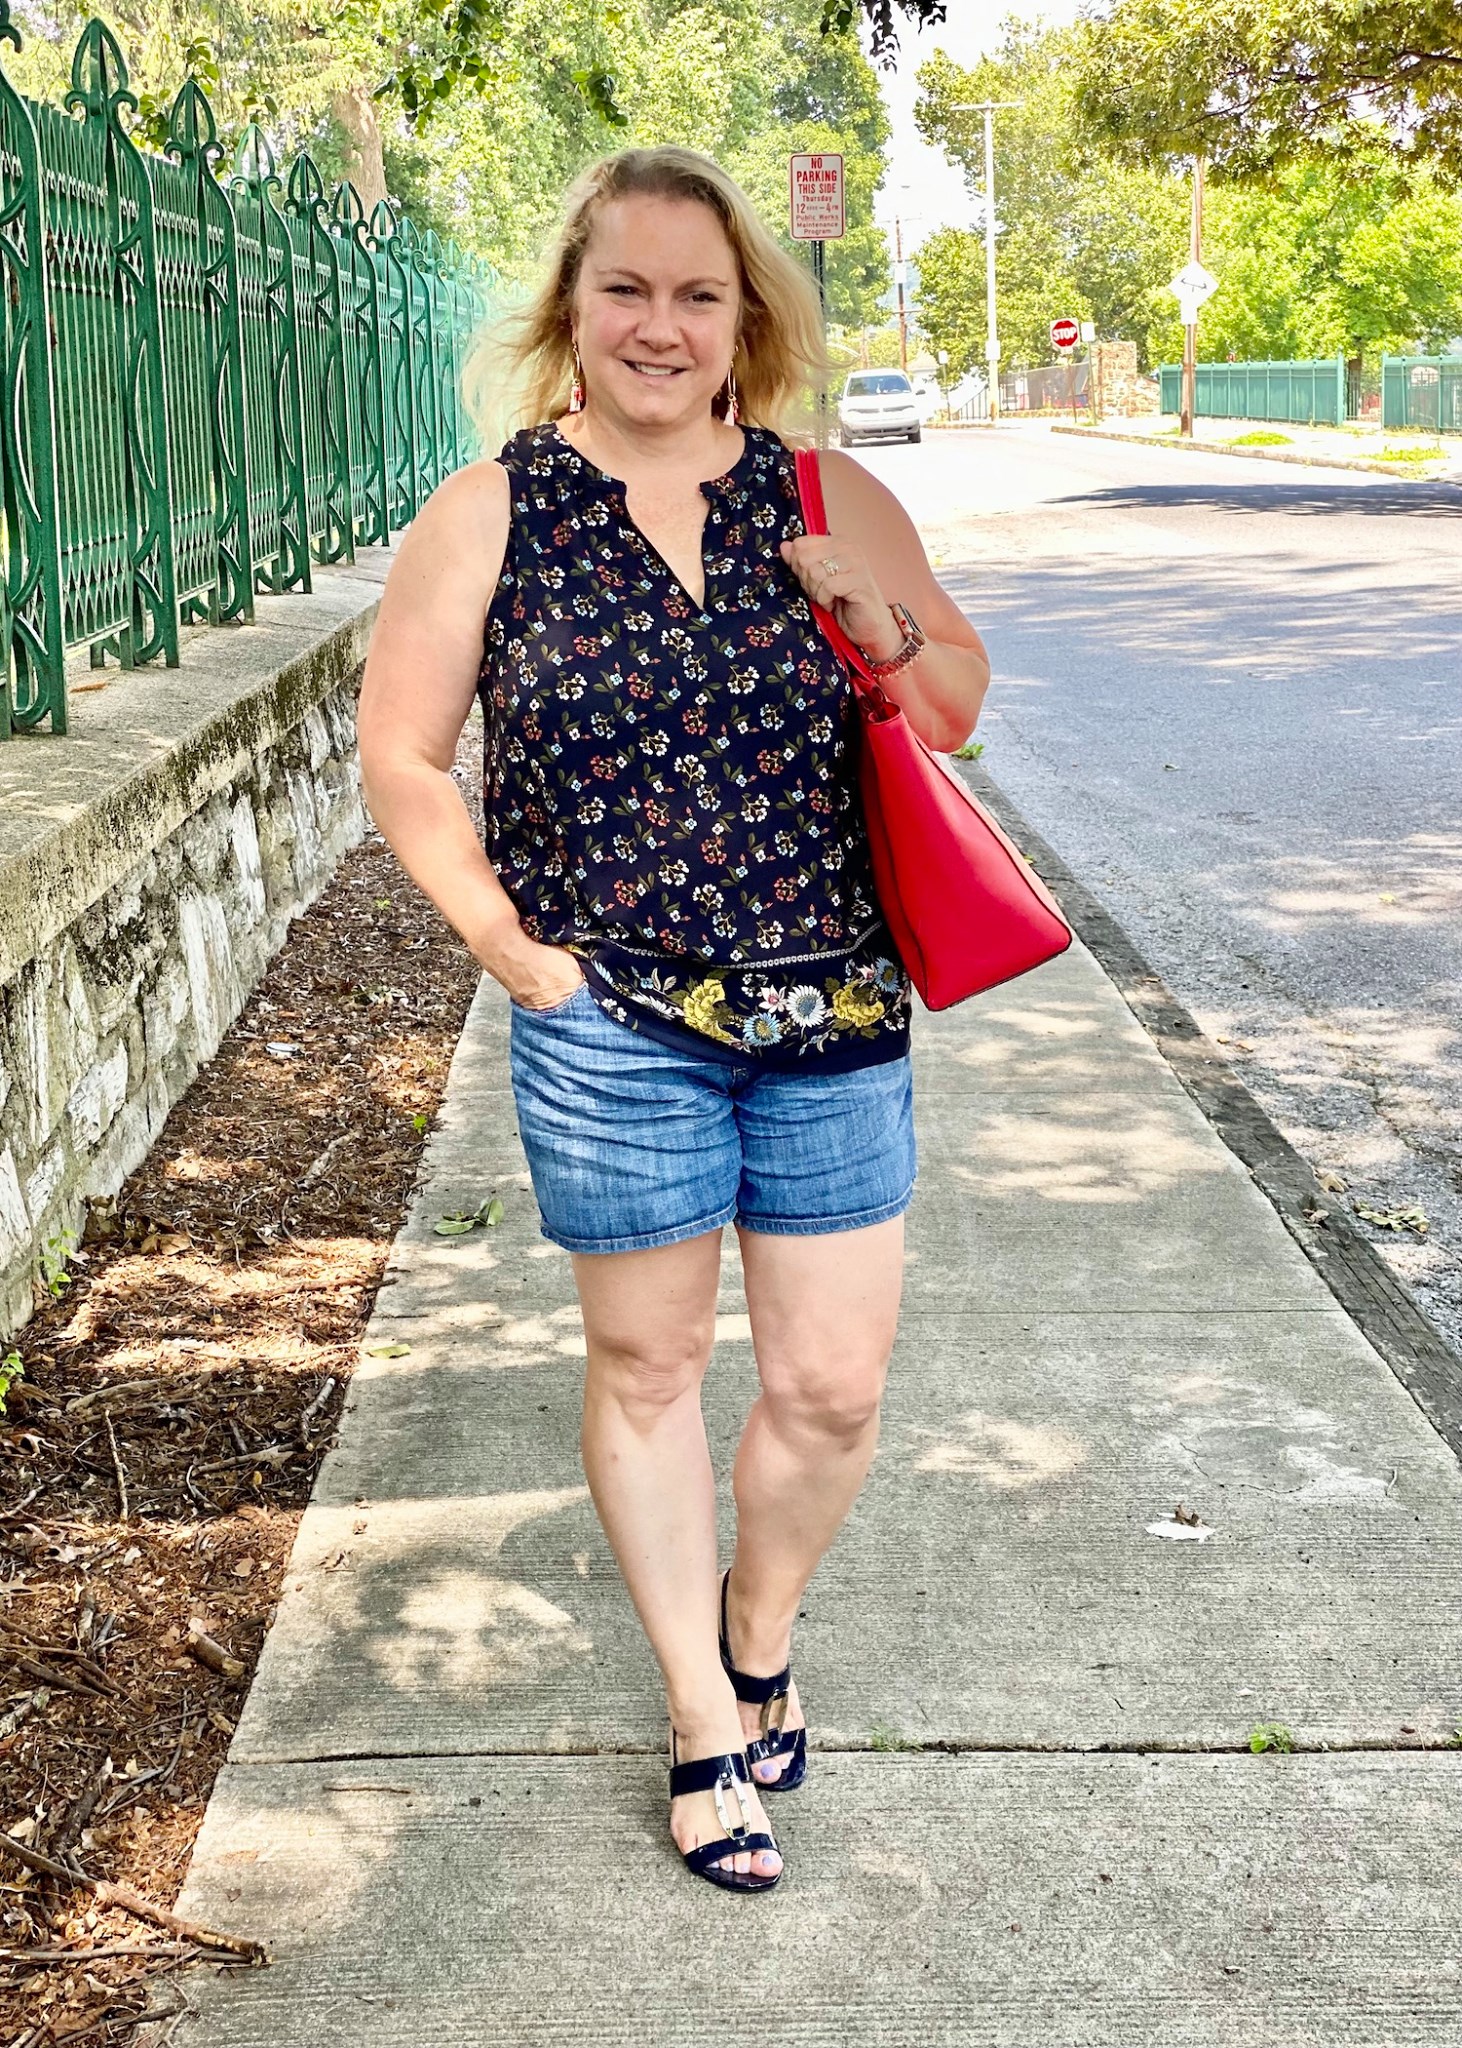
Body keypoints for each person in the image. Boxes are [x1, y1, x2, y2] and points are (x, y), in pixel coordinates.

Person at [357, 145, 989, 1893]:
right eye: (625, 287)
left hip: (833, 1004)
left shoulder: (826, 492)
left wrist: (872, 624)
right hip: (612, 1018)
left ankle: (755, 1628)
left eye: (696, 293)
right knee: (645, 1368)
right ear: (571, 306)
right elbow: (403, 756)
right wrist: (512, 951)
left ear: (743, 318)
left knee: (830, 1388)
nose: (659, 324)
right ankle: (702, 1715)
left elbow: (951, 708)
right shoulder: (489, 510)